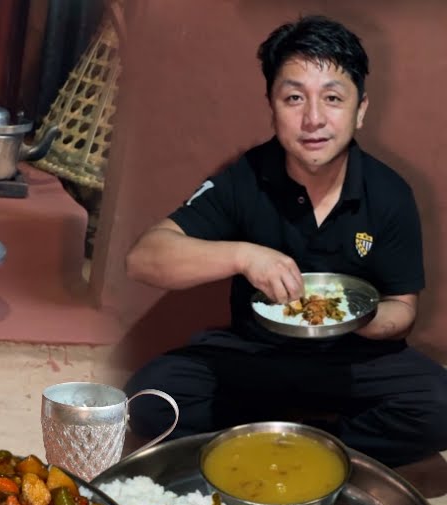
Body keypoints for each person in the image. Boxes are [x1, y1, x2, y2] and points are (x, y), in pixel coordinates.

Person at [123, 15, 447, 469]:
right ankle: (285, 438)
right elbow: (143, 259)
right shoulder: (245, 178)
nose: (313, 119)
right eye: (294, 98)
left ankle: (308, 445)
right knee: (149, 398)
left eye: (333, 98)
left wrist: (361, 320)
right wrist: (242, 255)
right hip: (257, 356)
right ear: (272, 106)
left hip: (351, 362)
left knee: (439, 406)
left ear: (361, 109)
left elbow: (403, 308)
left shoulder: (390, 193)